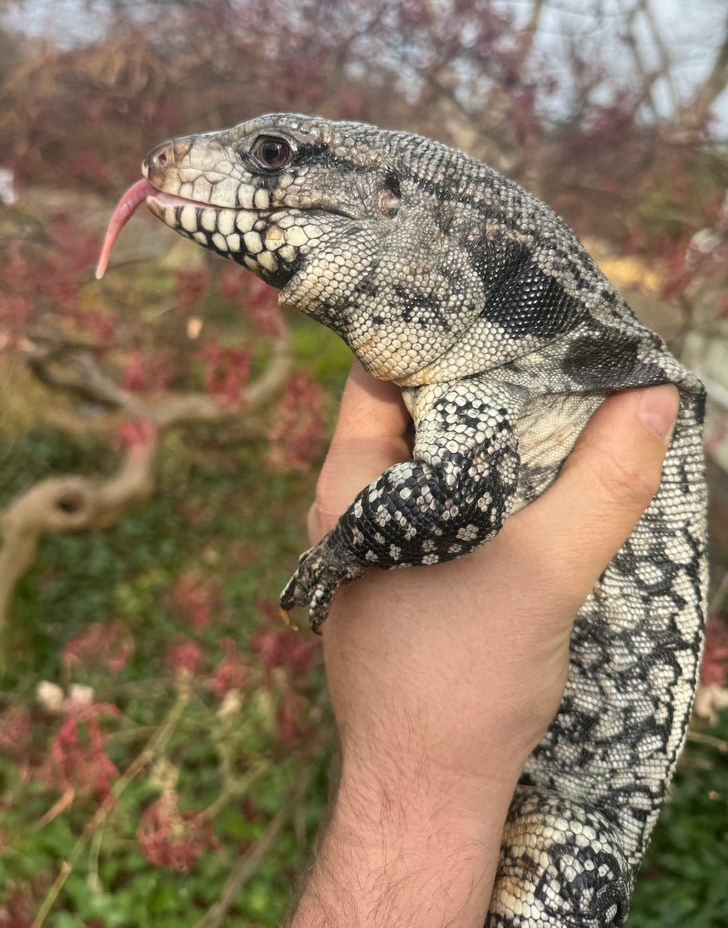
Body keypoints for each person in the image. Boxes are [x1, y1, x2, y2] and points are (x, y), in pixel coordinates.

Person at [289, 362, 680, 928]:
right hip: (545, 808)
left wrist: (350, 543)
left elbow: (467, 503)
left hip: (578, 806)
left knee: (567, 859)